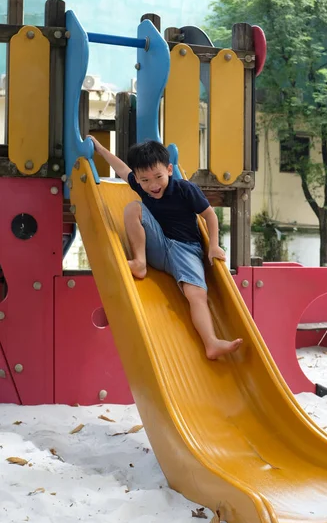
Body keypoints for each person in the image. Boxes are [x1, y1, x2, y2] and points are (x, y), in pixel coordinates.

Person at [88, 136, 243, 360]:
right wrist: (101, 149)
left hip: (186, 250)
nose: (153, 185)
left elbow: (209, 215)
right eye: (145, 180)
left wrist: (214, 246)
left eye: (158, 177)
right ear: (138, 179)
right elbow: (122, 169)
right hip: (158, 248)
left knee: (197, 294)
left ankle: (211, 343)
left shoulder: (185, 189)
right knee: (133, 208)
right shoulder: (142, 185)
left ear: (169, 170)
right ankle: (139, 263)